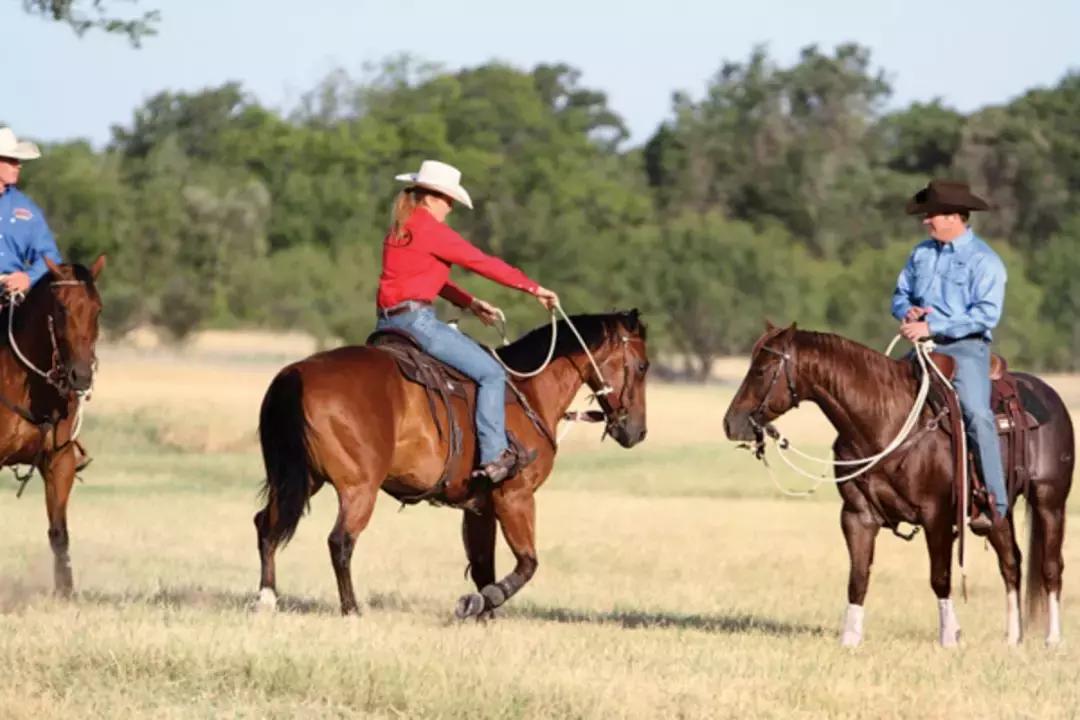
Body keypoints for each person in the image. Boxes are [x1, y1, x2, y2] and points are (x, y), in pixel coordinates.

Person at [376, 160, 559, 484]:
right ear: (431, 197)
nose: (449, 207)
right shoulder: (432, 230)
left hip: (386, 326)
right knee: (491, 373)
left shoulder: (400, 229)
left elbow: (425, 277)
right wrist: (534, 288)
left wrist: (470, 303)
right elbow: (483, 263)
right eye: (448, 200)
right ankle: (494, 456)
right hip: (418, 323)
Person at [891, 179, 1008, 534]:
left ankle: (994, 501)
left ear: (955, 217)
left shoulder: (984, 261)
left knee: (977, 414)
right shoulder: (920, 254)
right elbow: (900, 294)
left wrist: (934, 327)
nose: (926, 221)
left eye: (932, 215)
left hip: (966, 349)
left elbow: (986, 314)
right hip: (921, 349)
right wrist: (907, 312)